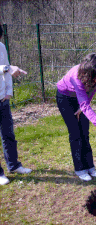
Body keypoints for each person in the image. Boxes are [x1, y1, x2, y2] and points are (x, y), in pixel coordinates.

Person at [56, 53, 96, 182]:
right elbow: (85, 104)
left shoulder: (95, 76)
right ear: (89, 72)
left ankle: (89, 166)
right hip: (65, 98)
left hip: (81, 99)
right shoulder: (76, 76)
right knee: (75, 134)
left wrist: (83, 106)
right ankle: (79, 169)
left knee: (85, 133)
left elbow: (91, 93)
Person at [0, 24, 32, 186]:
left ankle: (13, 165)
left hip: (2, 99)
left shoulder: (2, 47)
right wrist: (6, 68)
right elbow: (6, 68)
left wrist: (9, 92)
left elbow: (8, 72)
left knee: (8, 135)